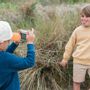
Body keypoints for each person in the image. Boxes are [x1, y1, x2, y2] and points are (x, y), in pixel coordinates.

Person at [59, 5, 90, 90]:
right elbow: (70, 45)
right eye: (82, 16)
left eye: (87, 16)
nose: (84, 18)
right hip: (79, 61)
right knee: (76, 82)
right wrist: (65, 59)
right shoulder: (77, 30)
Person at [0, 21, 35, 90]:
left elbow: (4, 55)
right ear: (1, 43)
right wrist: (30, 43)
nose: (9, 42)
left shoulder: (4, 58)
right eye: (8, 41)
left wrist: (15, 43)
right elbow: (30, 62)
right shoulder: (7, 59)